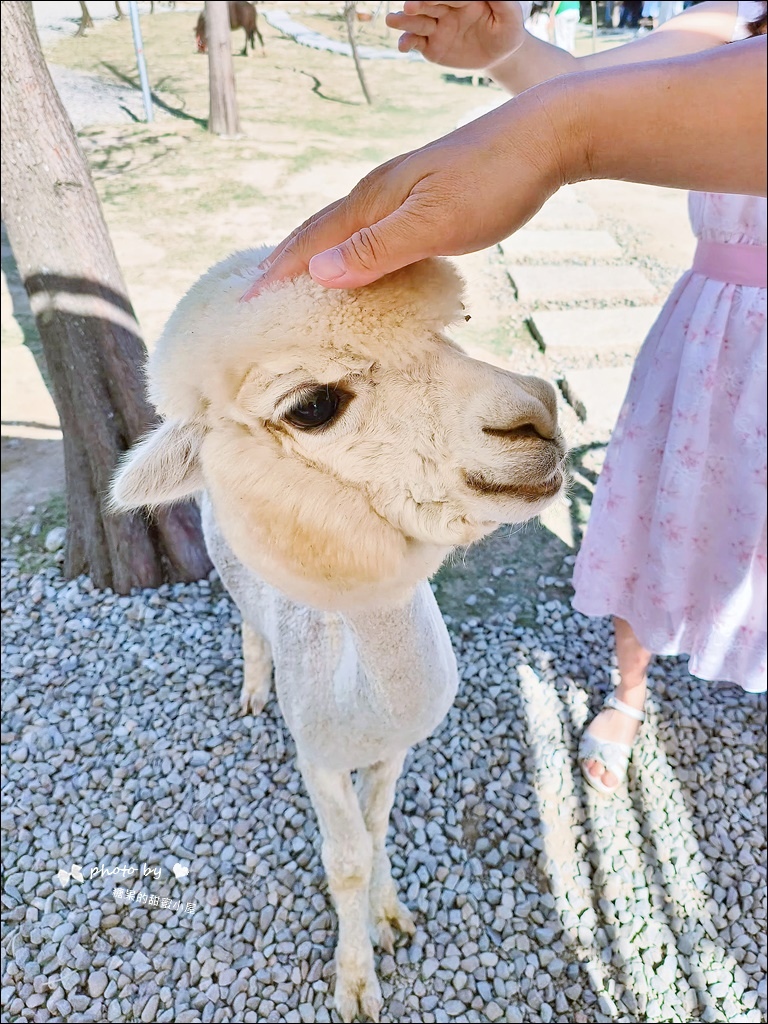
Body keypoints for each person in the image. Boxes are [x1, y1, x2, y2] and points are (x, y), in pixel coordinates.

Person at [248, 13, 767, 799]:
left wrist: (551, 139)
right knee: (669, 509)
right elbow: (605, 91)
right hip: (715, 342)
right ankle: (631, 690)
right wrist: (512, 55)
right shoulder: (731, 17)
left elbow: (585, 117)